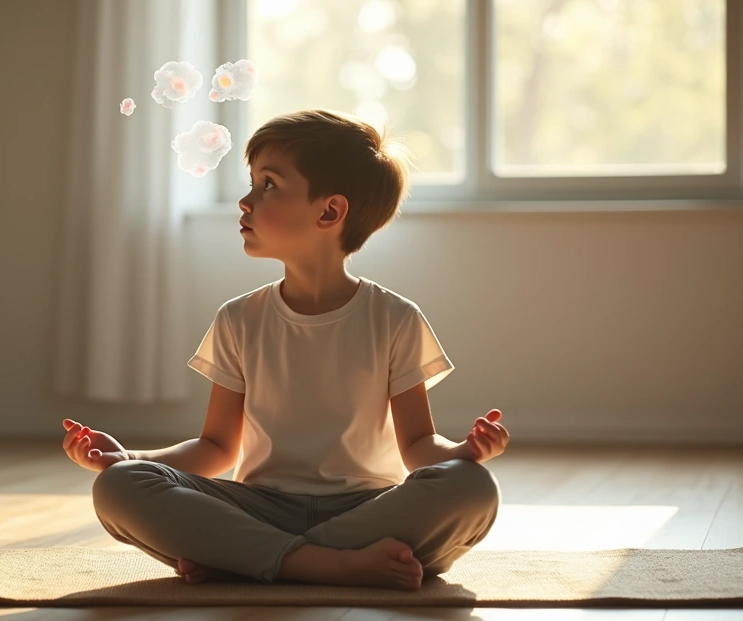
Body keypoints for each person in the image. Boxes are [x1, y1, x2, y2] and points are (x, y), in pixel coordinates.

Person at [61, 109, 509, 591]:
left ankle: (251, 557)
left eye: (268, 185)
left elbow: (419, 447)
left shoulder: (395, 318)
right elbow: (216, 448)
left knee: (473, 488)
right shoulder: (239, 318)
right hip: (258, 506)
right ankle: (328, 564)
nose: (245, 201)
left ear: (329, 212)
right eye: (252, 183)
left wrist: (461, 452)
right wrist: (129, 458)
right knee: (119, 487)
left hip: (365, 508)